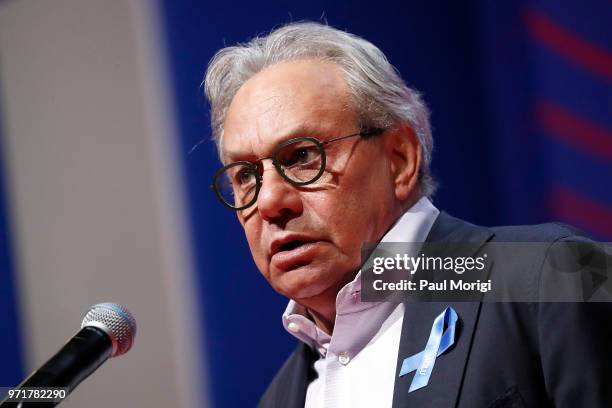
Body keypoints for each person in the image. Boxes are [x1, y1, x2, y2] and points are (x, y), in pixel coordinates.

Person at [203, 22, 612, 407]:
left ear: (399, 160)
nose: (271, 202)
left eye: (303, 156)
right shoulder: (281, 398)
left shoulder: (555, 276)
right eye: (245, 175)